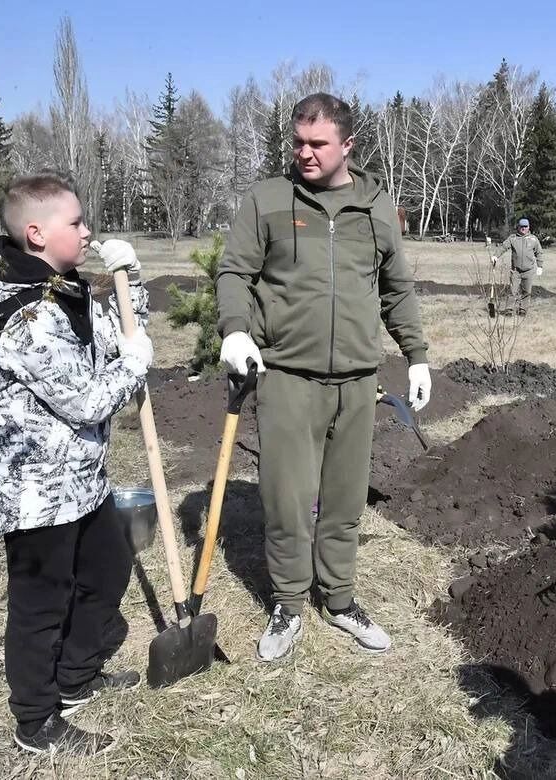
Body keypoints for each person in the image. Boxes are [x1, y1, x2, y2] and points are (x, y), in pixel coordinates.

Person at [216, 93, 431, 663]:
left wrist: (416, 355)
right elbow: (235, 271)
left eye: (318, 143)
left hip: (358, 380)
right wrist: (234, 330)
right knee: (287, 499)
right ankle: (289, 603)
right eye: (298, 142)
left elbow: (396, 289)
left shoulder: (377, 208)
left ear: (347, 145)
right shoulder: (268, 200)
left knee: (343, 499)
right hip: (287, 375)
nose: (305, 153)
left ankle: (338, 598)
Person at [0, 171, 153, 755]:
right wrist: (134, 365)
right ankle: (37, 720)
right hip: (33, 489)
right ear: (37, 234)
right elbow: (87, 399)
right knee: (40, 604)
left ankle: (74, 677)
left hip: (80, 479)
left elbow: (119, 335)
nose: (87, 231)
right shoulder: (24, 317)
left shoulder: (60, 288)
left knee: (107, 570)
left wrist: (132, 280)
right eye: (76, 222)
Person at [492, 217, 544, 315]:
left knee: (526, 291)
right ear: (518, 227)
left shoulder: (533, 239)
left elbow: (539, 253)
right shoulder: (513, 238)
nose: (523, 228)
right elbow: (503, 247)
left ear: (528, 227)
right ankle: (509, 310)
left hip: (528, 270)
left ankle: (523, 310)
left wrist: (540, 266)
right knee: (512, 291)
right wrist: (495, 256)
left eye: (525, 226)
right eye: (521, 226)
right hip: (515, 271)